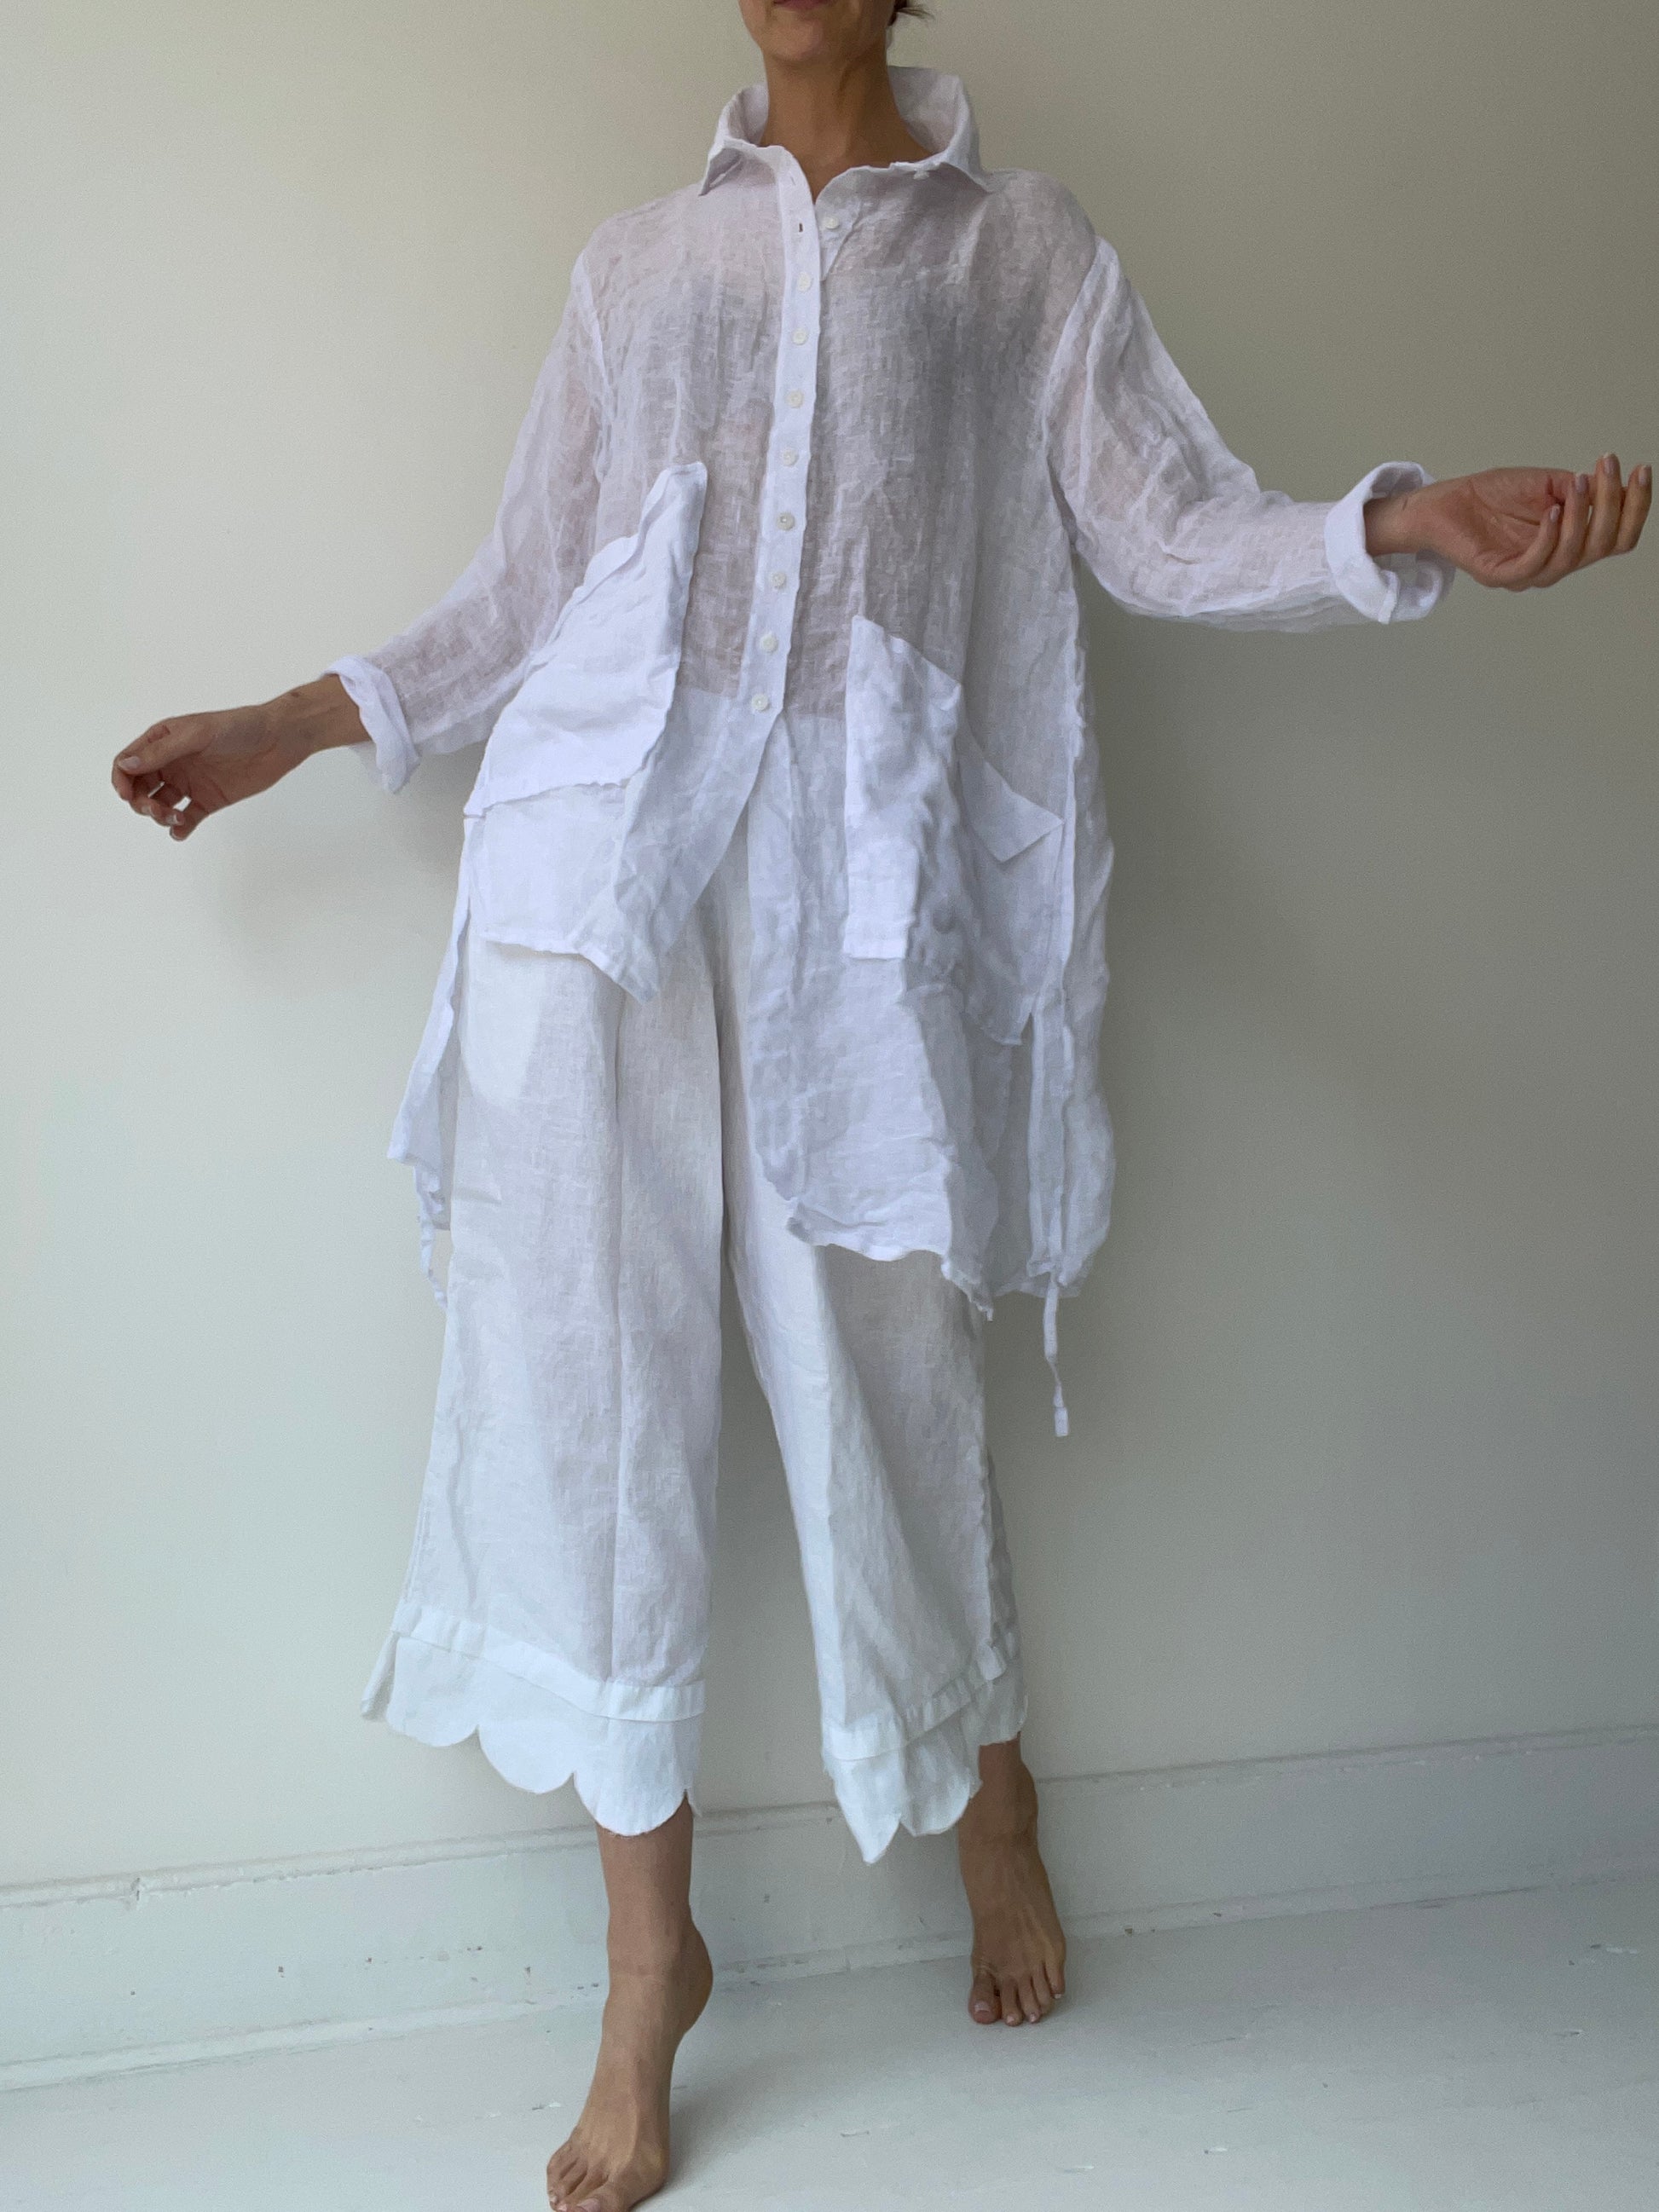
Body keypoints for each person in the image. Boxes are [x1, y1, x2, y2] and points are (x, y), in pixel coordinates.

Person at [112, 2, 1648, 2206]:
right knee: (585, 1397)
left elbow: (1166, 524)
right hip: (594, 878)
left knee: (882, 1371)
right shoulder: (641, 268)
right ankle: (646, 1970)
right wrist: (294, 720)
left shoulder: (1019, 251)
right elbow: (527, 590)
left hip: (857, 894)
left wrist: (1391, 518)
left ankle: (985, 1792)